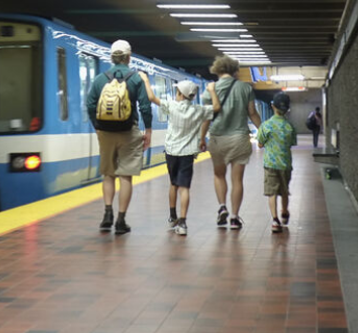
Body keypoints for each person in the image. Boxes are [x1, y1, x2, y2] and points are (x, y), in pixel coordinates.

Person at [86, 40, 152, 235]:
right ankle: (121, 221)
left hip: (105, 131)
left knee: (108, 174)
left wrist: (97, 127)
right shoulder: (135, 78)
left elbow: (90, 105)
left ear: (112, 57)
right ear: (128, 57)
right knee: (125, 176)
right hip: (128, 130)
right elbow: (145, 106)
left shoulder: (100, 79)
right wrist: (148, 130)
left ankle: (107, 215)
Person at [207, 55, 263, 230]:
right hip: (239, 138)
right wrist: (262, 131)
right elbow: (252, 112)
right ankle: (234, 217)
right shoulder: (245, 88)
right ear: (235, 70)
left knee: (219, 175)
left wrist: (201, 138)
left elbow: (206, 117)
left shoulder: (210, 89)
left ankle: (222, 206)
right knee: (237, 179)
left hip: (217, 138)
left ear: (217, 69)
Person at [161, 80, 210, 236]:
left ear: (180, 94)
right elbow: (215, 109)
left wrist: (146, 81)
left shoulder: (172, 106)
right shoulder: (198, 109)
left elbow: (152, 98)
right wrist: (213, 92)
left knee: (173, 184)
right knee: (184, 188)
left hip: (171, 152)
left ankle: (172, 216)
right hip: (187, 153)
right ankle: (182, 222)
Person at [257, 92, 297, 233]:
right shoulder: (290, 126)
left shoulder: (266, 125)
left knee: (271, 192)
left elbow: (260, 144)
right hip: (286, 164)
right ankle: (284, 211)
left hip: (270, 164)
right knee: (284, 190)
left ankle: (275, 220)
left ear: (272, 106)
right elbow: (292, 143)